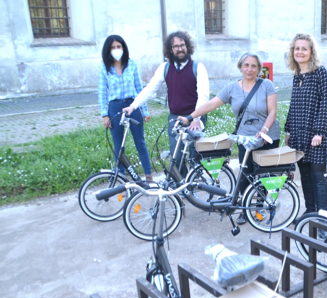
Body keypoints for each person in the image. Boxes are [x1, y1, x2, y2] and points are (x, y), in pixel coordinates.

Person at [180, 52, 280, 224]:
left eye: (254, 66)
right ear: (240, 66)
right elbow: (211, 104)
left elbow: (272, 111)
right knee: (245, 173)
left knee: (264, 175)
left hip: (267, 136)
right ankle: (244, 209)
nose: (249, 69)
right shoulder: (232, 88)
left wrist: (264, 130)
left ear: (259, 69)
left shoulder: (266, 85)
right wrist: (190, 117)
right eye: (246, 65)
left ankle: (258, 207)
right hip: (245, 138)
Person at [123, 31, 209, 177]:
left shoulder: (198, 67)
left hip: (194, 116)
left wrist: (196, 119)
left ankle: (197, 184)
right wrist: (133, 106)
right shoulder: (165, 68)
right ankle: (183, 186)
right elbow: (150, 89)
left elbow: (204, 95)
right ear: (170, 49)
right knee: (177, 156)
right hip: (175, 118)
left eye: (182, 45)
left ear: (187, 46)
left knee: (196, 155)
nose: (180, 49)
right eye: (176, 46)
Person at [284, 33, 327, 214]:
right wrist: (288, 131)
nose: (300, 52)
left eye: (304, 48)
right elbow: (293, 105)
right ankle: (310, 212)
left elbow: (326, 103)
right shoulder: (297, 75)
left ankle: (322, 217)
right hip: (298, 134)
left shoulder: (320, 72)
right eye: (297, 48)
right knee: (304, 176)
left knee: (317, 177)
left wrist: (319, 132)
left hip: (316, 136)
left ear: (311, 51)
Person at [98, 34, 153, 181]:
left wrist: (145, 110)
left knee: (140, 142)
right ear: (108, 50)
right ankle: (121, 176)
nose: (116, 50)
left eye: (119, 46)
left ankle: (148, 175)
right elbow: (102, 92)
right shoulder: (104, 68)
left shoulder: (132, 64)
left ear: (123, 48)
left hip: (132, 106)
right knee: (118, 145)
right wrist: (105, 115)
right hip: (114, 108)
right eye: (113, 47)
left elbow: (139, 88)